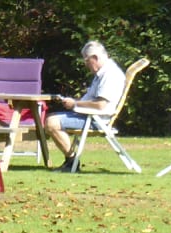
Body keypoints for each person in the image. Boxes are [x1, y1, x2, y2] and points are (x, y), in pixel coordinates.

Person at [45, 40, 126, 172]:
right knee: (51, 117)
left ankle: (72, 162)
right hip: (89, 115)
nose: (86, 64)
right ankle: (70, 162)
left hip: (96, 119)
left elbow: (100, 105)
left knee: (51, 123)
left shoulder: (110, 75)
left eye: (87, 60)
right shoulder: (102, 73)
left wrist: (75, 103)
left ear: (95, 58)